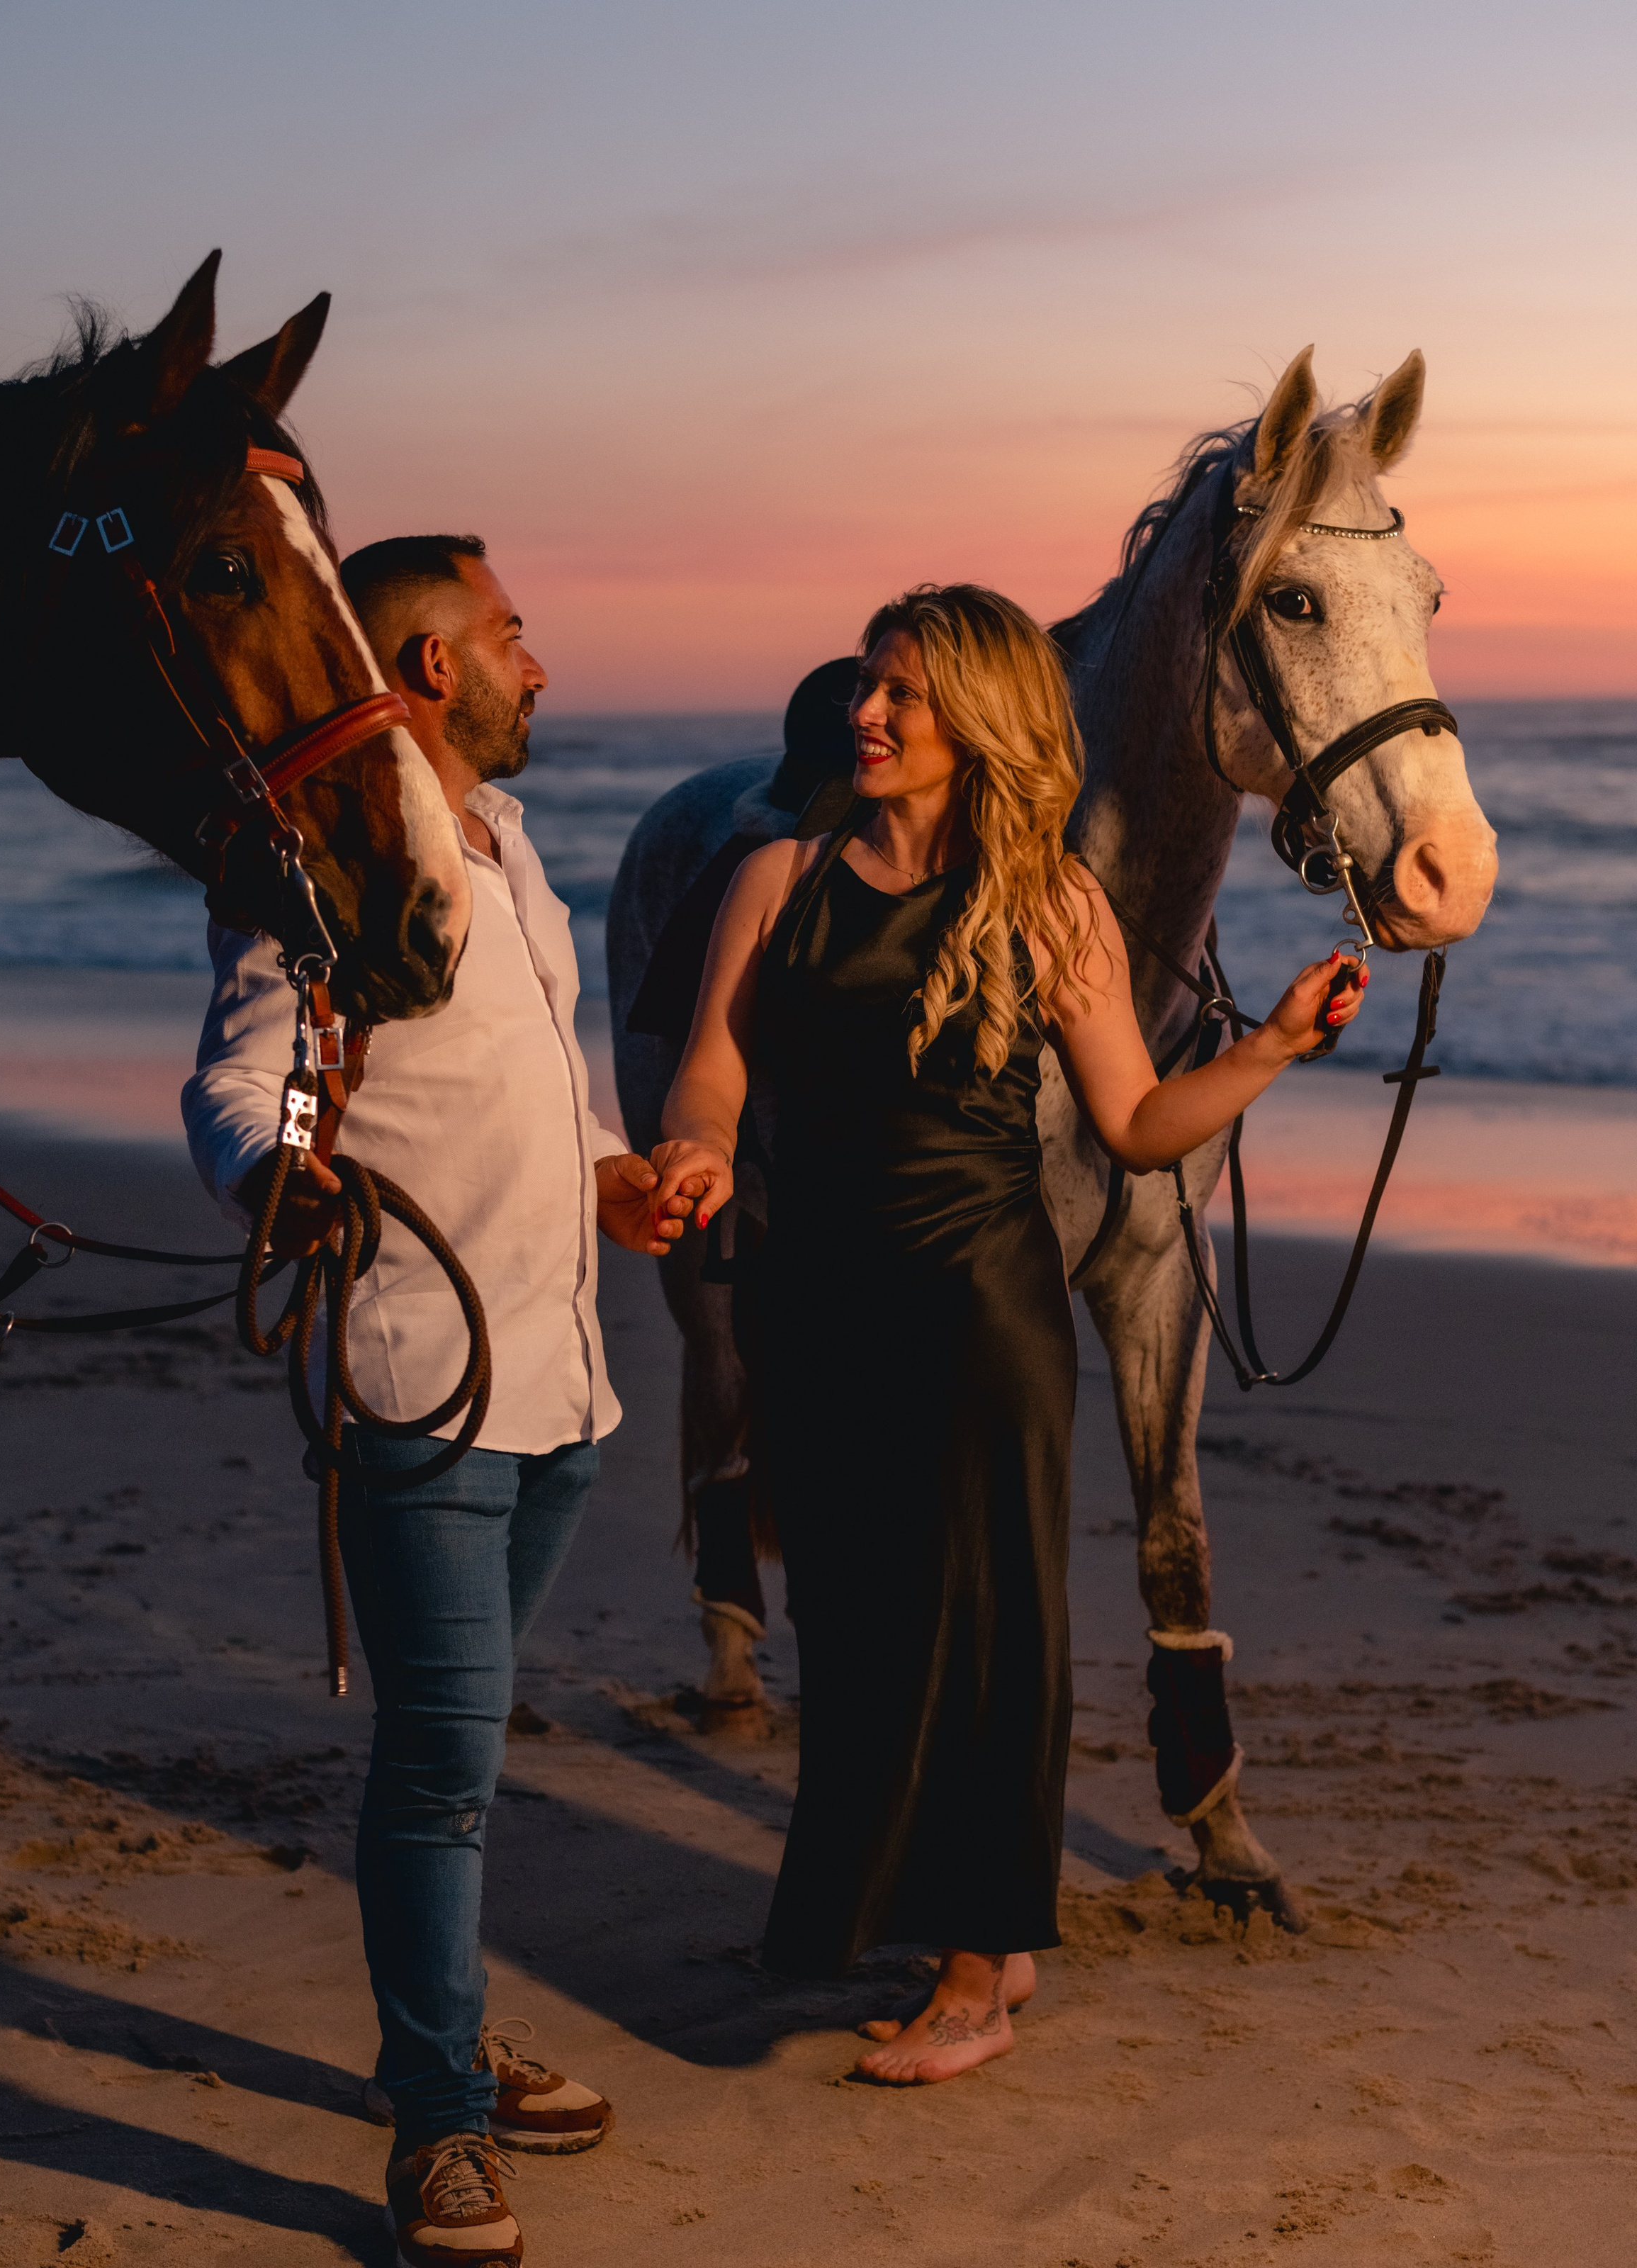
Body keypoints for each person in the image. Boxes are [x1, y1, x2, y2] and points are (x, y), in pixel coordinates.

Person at [651, 583, 1366, 2087]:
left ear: (976, 722)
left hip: (978, 1302)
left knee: (989, 1632)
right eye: (864, 683)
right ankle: (965, 1921)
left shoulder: (1047, 902)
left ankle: (978, 1973)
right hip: (815, 1299)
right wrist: (698, 1150)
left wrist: (1272, 1044)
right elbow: (709, 1066)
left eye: (902, 694)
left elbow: (1131, 1121)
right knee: (851, 1630)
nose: (866, 712)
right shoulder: (777, 875)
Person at [183, 534, 690, 2265]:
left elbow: (546, 1090)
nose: (537, 665)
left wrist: (623, 1180)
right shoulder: (317, 854)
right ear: (423, 659)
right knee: (443, 1770)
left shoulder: (511, 843)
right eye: (511, 635)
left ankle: (446, 2035)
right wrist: (283, 1176)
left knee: (459, 1745)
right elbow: (246, 1084)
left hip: (561, 1384)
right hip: (419, 1376)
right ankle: (436, 2123)